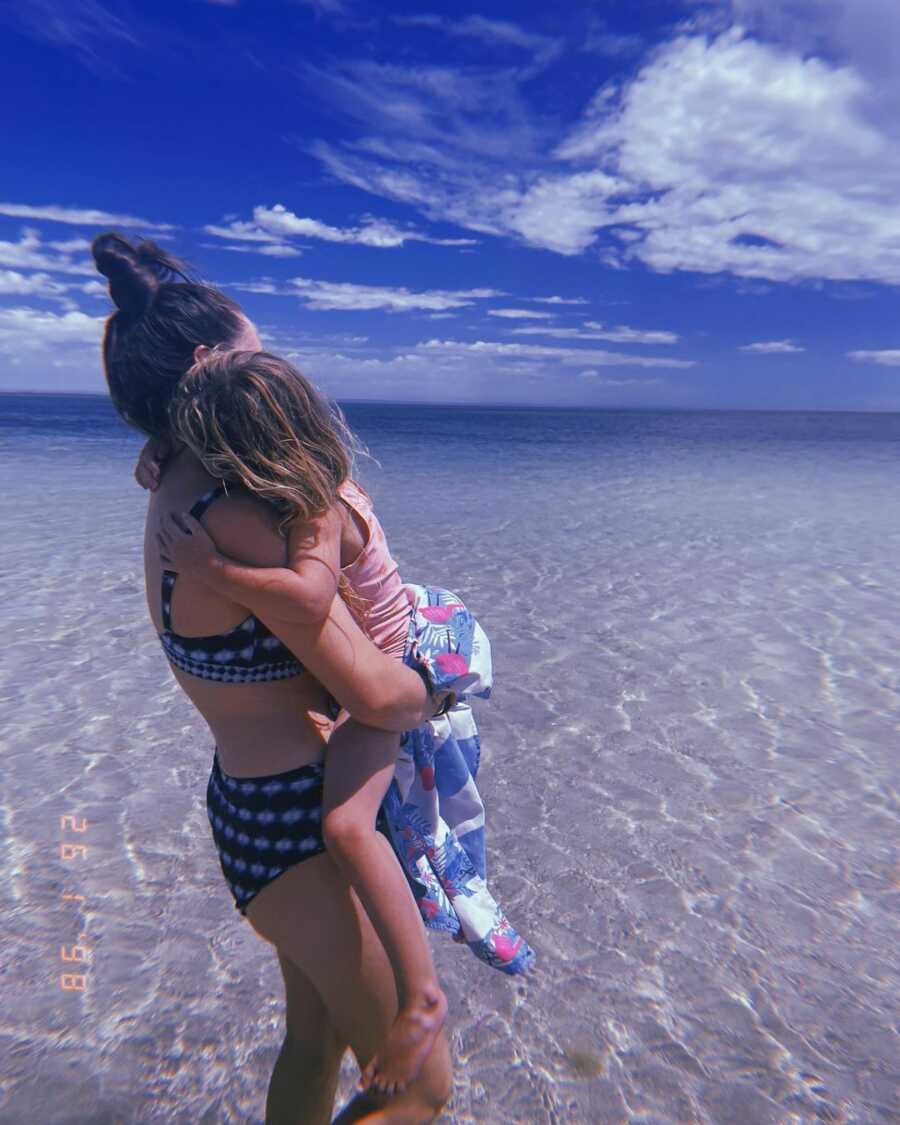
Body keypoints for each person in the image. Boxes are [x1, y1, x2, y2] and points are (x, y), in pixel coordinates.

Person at [93, 231, 454, 1123]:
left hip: (249, 805)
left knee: (318, 1039)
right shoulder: (243, 515)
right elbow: (376, 692)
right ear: (214, 368)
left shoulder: (172, 485)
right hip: (300, 819)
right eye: (258, 361)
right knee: (417, 1087)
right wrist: (437, 691)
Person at [156, 348, 450, 1096]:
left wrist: (215, 570)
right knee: (414, 1093)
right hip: (289, 798)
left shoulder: (311, 502)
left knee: (315, 1043)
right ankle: (425, 993)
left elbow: (311, 598)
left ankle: (422, 989)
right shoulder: (282, 491)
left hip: (373, 684)